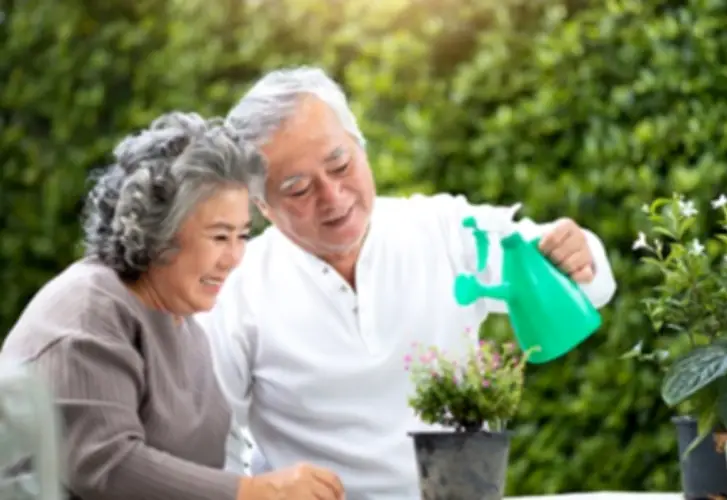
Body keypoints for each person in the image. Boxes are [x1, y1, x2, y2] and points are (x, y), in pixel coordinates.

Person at [197, 66, 618, 500]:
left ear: (361, 147)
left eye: (340, 165)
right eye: (299, 189)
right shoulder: (236, 290)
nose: (333, 196)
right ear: (262, 205)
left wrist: (579, 251)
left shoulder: (444, 230)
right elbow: (214, 449)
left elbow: (582, 280)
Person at [0, 111, 345, 500]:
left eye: (242, 236)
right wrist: (252, 492)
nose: (235, 258)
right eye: (220, 237)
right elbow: (106, 465)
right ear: (157, 232)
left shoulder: (185, 326)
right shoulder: (87, 312)